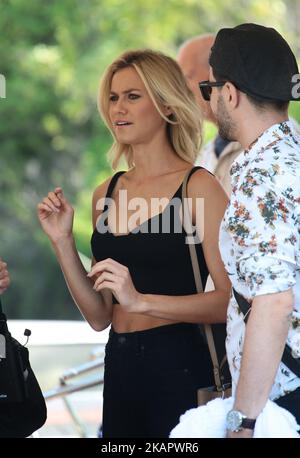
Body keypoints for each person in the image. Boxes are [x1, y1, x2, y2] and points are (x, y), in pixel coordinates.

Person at [37, 49, 231, 438]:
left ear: (166, 105)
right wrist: (61, 242)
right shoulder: (104, 195)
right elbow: (99, 316)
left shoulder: (199, 187)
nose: (117, 109)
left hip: (182, 365)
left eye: (132, 96)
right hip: (120, 364)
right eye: (112, 97)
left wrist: (141, 301)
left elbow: (228, 302)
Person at [198, 23, 300, 438]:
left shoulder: (263, 177)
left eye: (209, 88)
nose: (209, 100)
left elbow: (273, 302)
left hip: (281, 401)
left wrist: (244, 420)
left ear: (230, 92)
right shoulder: (291, 157)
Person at [177, 34, 242, 196]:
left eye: (187, 77)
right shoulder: (206, 153)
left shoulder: (276, 143)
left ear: (215, 75)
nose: (181, 90)